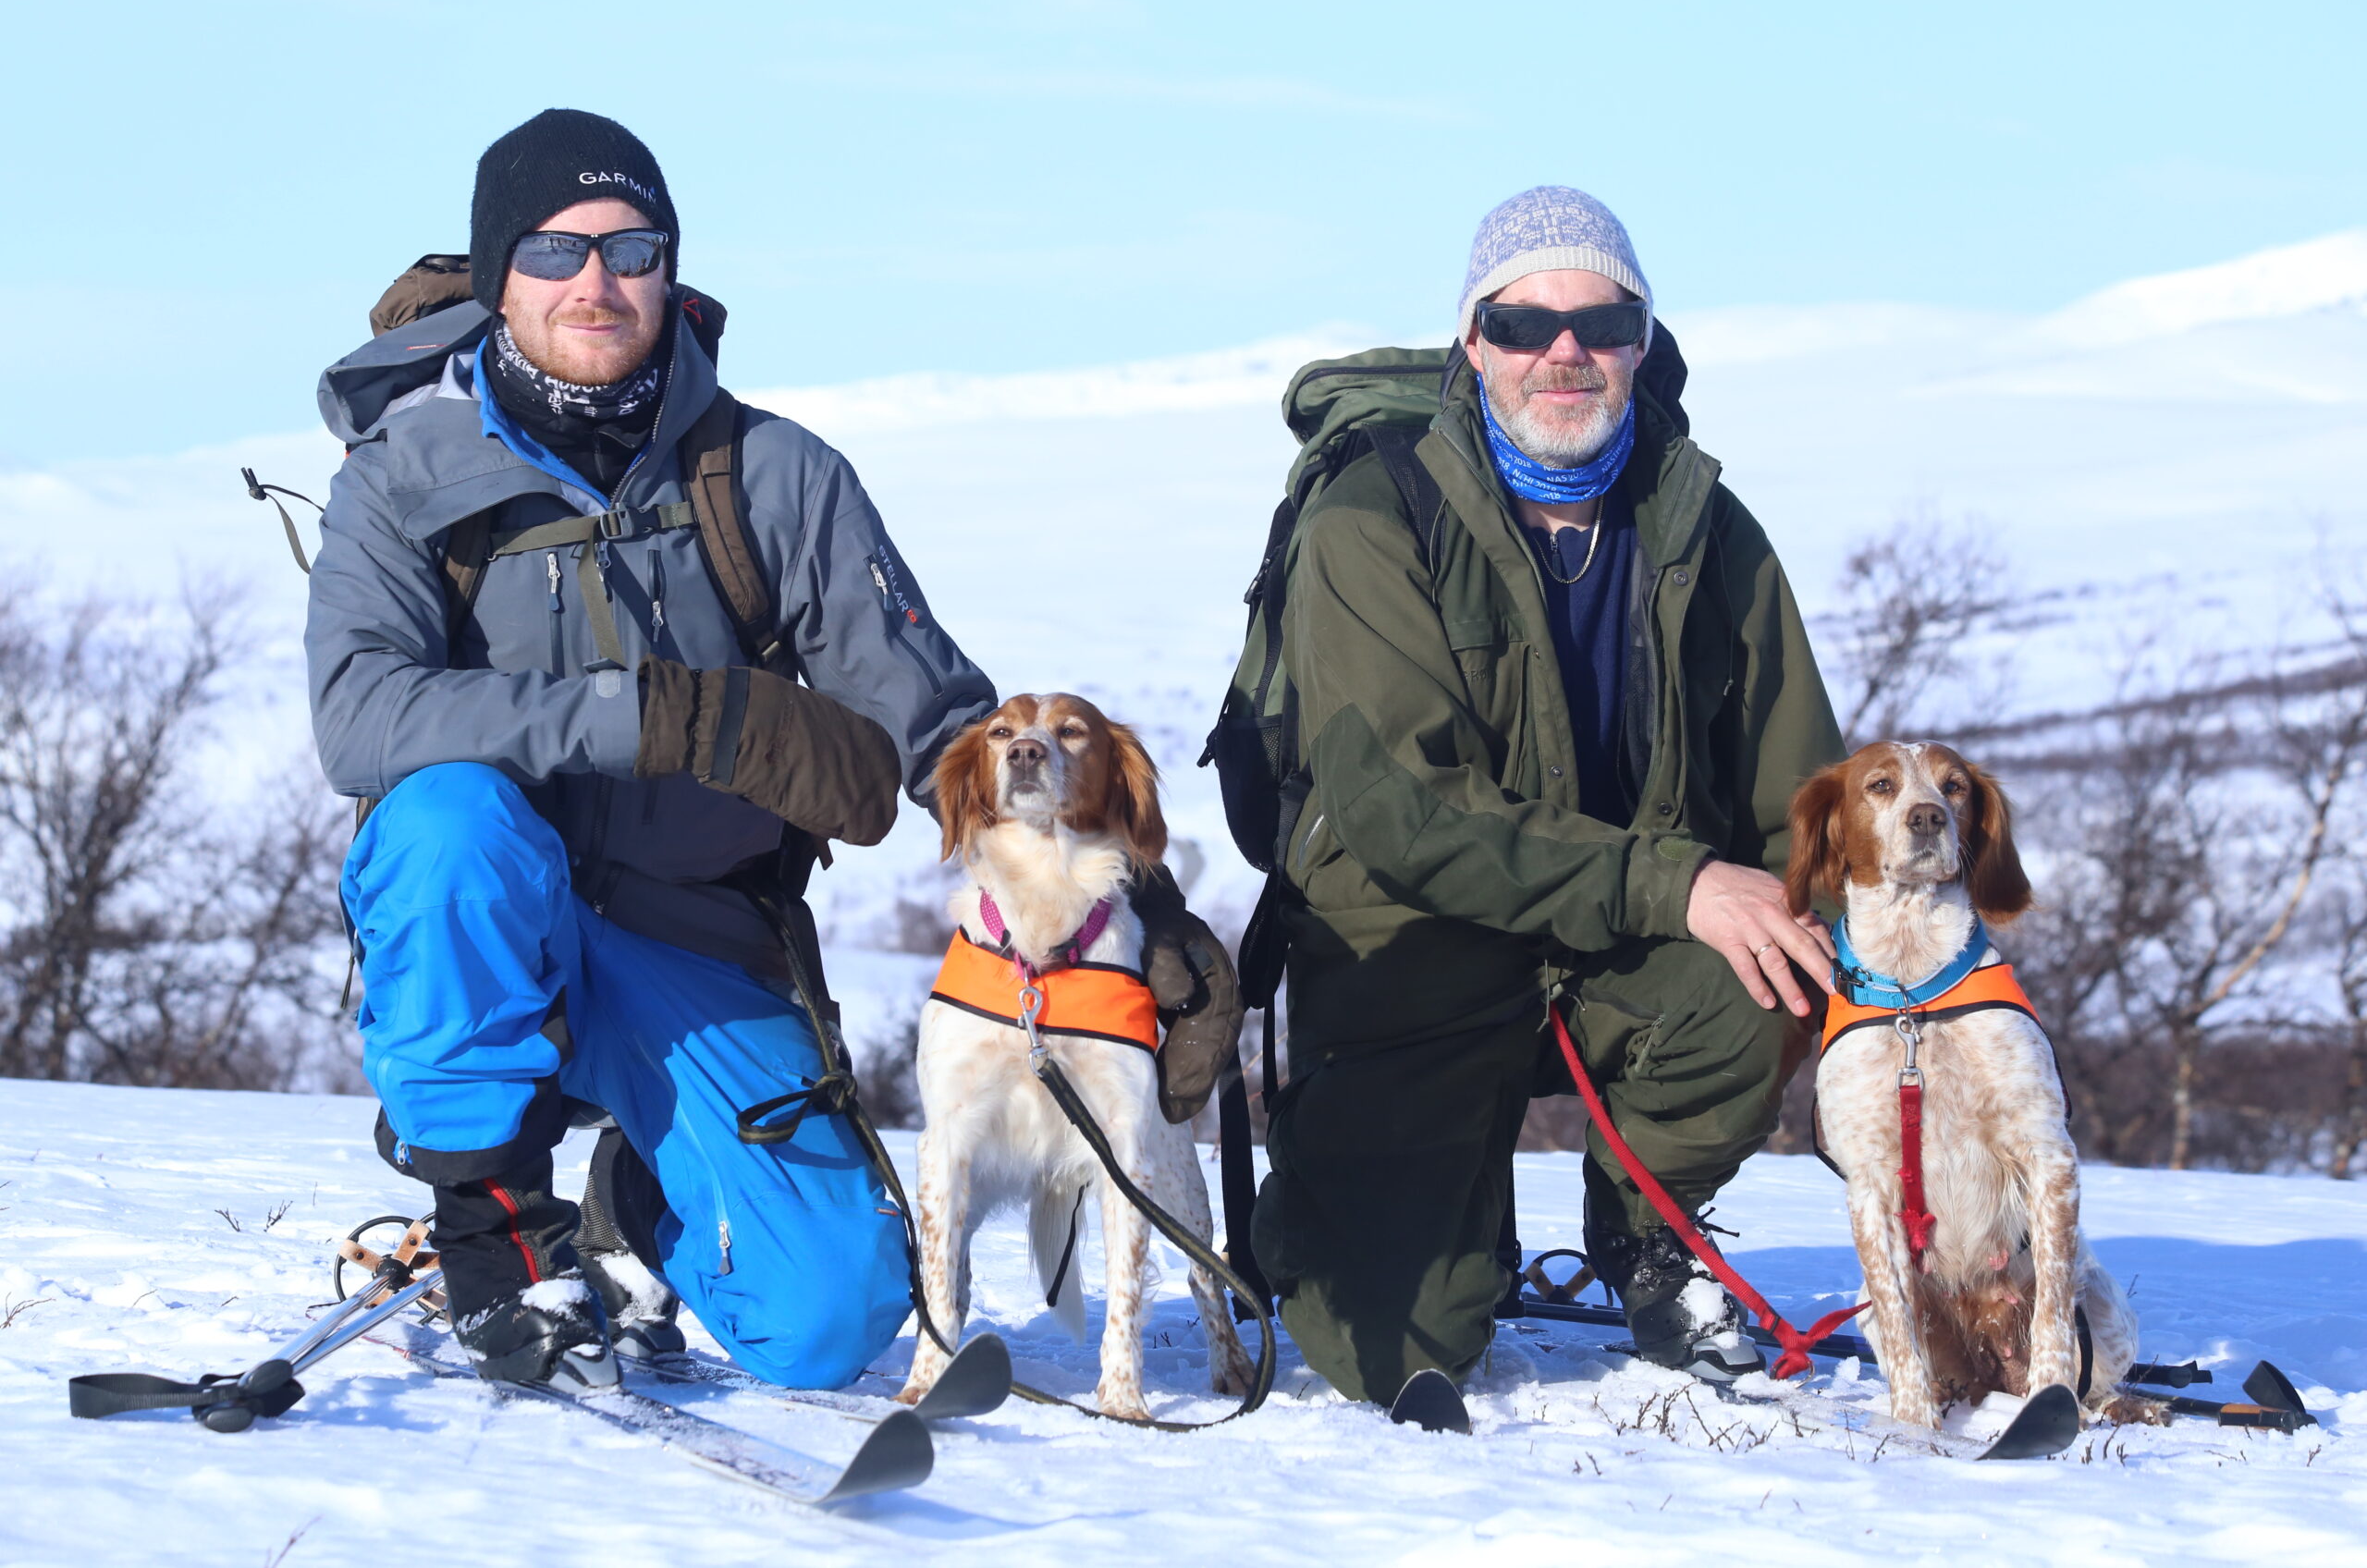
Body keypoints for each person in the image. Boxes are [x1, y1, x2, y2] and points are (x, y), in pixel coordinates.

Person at [306, 110, 1235, 1391]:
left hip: (691, 937)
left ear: (672, 271)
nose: (598, 281)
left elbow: (937, 724)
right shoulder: (400, 476)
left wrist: (1140, 894)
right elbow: (359, 716)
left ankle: (634, 1210)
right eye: (555, 250)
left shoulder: (772, 475)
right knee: (446, 820)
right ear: (495, 272)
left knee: (827, 1323)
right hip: (489, 928)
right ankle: (495, 1233)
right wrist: (649, 715)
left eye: (634, 248)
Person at [1250, 187, 1846, 1403]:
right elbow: (1404, 812)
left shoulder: (1707, 527)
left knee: (1771, 957)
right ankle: (1352, 1210)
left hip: (1626, 948)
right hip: (1410, 943)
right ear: (1474, 342)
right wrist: (1677, 880)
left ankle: (1647, 1234)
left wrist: (1900, 981)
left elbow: (1806, 802)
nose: (1563, 353)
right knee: (1409, 1343)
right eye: (1523, 325)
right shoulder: (1374, 516)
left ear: (1640, 342)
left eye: (1601, 322)